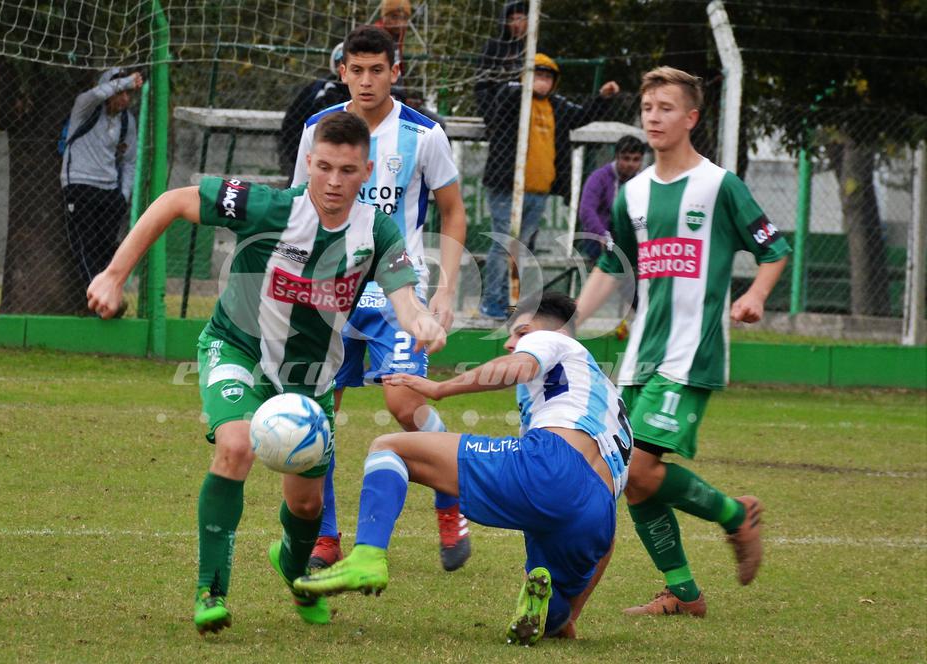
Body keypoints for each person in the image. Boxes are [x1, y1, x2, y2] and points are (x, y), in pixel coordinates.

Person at [86, 112, 447, 635]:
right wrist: (114, 275)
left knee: (306, 504)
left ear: (367, 170)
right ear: (308, 162)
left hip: (309, 378)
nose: (333, 182)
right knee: (235, 446)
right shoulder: (270, 206)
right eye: (323, 167)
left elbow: (405, 302)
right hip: (238, 349)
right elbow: (172, 202)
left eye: (347, 170)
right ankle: (210, 588)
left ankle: (295, 568)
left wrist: (423, 323)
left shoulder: (378, 231)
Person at [293, 292, 632, 646]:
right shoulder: (607, 394)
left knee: (389, 447)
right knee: (553, 600)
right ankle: (558, 618)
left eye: (518, 333)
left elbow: (521, 366)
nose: (510, 341)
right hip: (597, 513)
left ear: (535, 329)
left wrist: (440, 388)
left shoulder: (550, 339)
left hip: (550, 464)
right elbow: (606, 543)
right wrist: (574, 614)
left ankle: (367, 556)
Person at [575, 66, 790, 617]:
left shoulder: (720, 185)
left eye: (666, 108)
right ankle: (683, 592)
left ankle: (733, 515)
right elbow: (611, 265)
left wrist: (756, 296)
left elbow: (773, 248)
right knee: (632, 479)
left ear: (691, 118)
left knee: (640, 469)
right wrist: (569, 320)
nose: (654, 117)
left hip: (692, 353)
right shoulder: (634, 194)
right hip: (641, 353)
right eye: (648, 107)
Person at [292, 25, 470, 573]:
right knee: (317, 411)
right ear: (341, 71)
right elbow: (303, 205)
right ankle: (326, 536)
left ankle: (451, 497)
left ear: (396, 72)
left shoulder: (425, 135)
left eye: (377, 70)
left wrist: (444, 291)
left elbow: (453, 212)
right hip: (331, 288)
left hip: (399, 291)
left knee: (402, 401)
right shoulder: (317, 131)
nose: (366, 80)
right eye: (356, 69)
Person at [478, 53, 619, 320]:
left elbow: (583, 115)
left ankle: (509, 302)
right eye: (537, 76)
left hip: (538, 190)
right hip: (507, 187)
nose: (542, 82)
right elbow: (502, 95)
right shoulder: (513, 97)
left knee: (520, 246)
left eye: (547, 77)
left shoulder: (556, 105)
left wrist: (602, 98)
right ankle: (492, 301)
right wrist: (522, 82)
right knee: (505, 242)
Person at [61, 67, 142, 302]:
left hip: (109, 191)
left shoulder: (127, 121)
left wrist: (123, 195)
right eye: (121, 92)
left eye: (129, 93)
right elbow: (94, 95)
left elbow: (130, 162)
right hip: (79, 184)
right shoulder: (85, 109)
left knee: (106, 247)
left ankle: (103, 295)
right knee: (84, 245)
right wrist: (127, 80)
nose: (125, 99)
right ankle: (99, 300)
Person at [277, 43, 351, 177]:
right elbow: (292, 124)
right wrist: (300, 157)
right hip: (310, 158)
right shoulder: (323, 91)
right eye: (340, 62)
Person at [577, 135, 646, 262]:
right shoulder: (599, 177)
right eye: (626, 159)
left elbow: (644, 213)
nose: (630, 164)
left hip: (628, 236)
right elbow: (586, 211)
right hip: (600, 237)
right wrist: (602, 234)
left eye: (636, 160)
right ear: (617, 158)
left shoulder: (642, 182)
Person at [474, 1, 528, 117]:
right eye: (511, 19)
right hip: (500, 110)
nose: (516, 24)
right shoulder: (494, 47)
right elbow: (481, 83)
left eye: (520, 19)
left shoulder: (534, 47)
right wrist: (488, 113)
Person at [373, 0, 411, 75]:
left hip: (396, 77)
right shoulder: (375, 34)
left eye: (404, 18)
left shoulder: (400, 33)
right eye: (394, 17)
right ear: (384, 16)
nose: (399, 23)